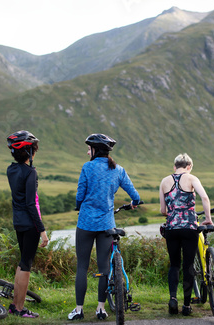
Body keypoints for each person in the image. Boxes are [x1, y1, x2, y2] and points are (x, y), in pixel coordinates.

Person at [68, 133, 140, 321]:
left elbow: (80, 194)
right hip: (107, 224)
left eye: (89, 148)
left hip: (85, 223)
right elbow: (135, 195)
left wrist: (78, 204)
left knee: (82, 267)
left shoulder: (87, 167)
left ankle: (79, 309)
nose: (87, 151)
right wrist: (134, 202)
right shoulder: (118, 170)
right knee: (104, 268)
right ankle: (101, 308)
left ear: (95, 150)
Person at [159, 153, 213, 316]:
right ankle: (187, 306)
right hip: (190, 227)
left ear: (175, 166)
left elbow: (163, 210)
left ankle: (173, 298)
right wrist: (208, 219)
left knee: (174, 264)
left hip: (172, 228)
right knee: (188, 265)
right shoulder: (192, 178)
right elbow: (204, 197)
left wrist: (173, 213)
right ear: (189, 166)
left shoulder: (164, 181)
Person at [6, 130, 49, 318]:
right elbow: (31, 204)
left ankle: (14, 305)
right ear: (30, 152)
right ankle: (20, 309)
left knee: (22, 262)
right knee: (26, 265)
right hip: (30, 225)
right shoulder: (31, 172)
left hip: (18, 223)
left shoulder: (11, 170)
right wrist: (42, 230)